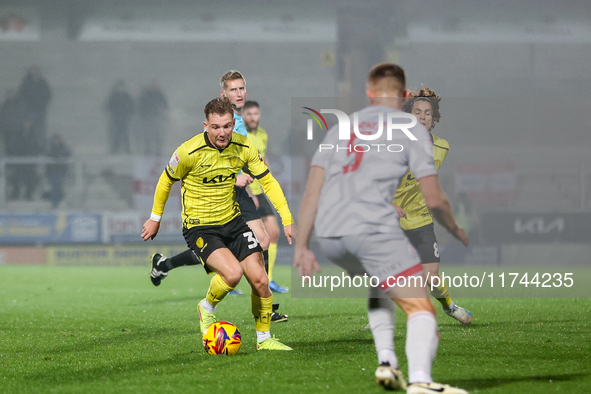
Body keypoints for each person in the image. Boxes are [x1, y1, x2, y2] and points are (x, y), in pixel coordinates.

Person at [294, 63, 469, 393]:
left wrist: (302, 247)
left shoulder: (339, 129)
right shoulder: (411, 130)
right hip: (370, 229)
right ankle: (420, 381)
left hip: (330, 236)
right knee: (420, 308)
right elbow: (434, 197)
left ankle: (387, 362)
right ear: (404, 97)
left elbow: (312, 191)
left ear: (369, 94)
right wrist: (455, 227)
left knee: (381, 282)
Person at [141, 97, 293, 351]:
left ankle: (265, 340)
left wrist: (286, 219)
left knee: (260, 280)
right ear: (205, 126)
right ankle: (206, 307)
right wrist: (155, 218)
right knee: (232, 274)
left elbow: (268, 181)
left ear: (233, 124)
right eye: (215, 127)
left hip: (232, 222)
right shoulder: (187, 151)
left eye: (226, 126)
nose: (222, 133)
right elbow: (165, 181)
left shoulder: (243, 146)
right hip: (200, 226)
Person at [392, 87, 472, 324]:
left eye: (428, 112)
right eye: (417, 112)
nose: (423, 116)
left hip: (421, 220)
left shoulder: (442, 147)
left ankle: (449, 306)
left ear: (434, 118)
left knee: (431, 278)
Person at [243, 100, 289, 294]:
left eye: (256, 114)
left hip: (260, 191)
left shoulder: (262, 135)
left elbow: (264, 158)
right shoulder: (240, 136)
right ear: (243, 116)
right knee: (240, 239)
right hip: (244, 191)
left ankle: (268, 278)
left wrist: (269, 182)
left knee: (273, 233)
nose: (253, 118)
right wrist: (248, 192)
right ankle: (230, 281)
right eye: (249, 114)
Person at [18, 66, 51, 150]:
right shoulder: (26, 83)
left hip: (40, 110)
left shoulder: (43, 83)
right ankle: (25, 147)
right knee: (28, 129)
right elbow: (22, 96)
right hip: (30, 111)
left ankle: (42, 147)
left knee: (41, 129)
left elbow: (48, 95)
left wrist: (42, 104)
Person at [138, 80, 168, 156]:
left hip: (157, 117)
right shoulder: (146, 95)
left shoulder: (159, 94)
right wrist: (143, 114)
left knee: (157, 134)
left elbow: (165, 104)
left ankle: (158, 150)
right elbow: (141, 105)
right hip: (147, 117)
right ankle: (147, 150)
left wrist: (161, 112)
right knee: (148, 134)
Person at [105, 79, 134, 154]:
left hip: (124, 117)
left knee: (125, 134)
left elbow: (131, 106)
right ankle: (115, 149)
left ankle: (126, 149)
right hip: (116, 117)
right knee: (116, 134)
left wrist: (128, 113)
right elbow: (108, 106)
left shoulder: (126, 96)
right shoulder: (114, 96)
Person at [43, 133, 71, 208]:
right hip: (52, 171)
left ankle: (56, 200)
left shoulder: (64, 148)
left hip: (60, 170)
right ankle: (55, 201)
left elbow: (68, 156)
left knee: (58, 186)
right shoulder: (49, 148)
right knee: (54, 186)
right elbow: (48, 156)